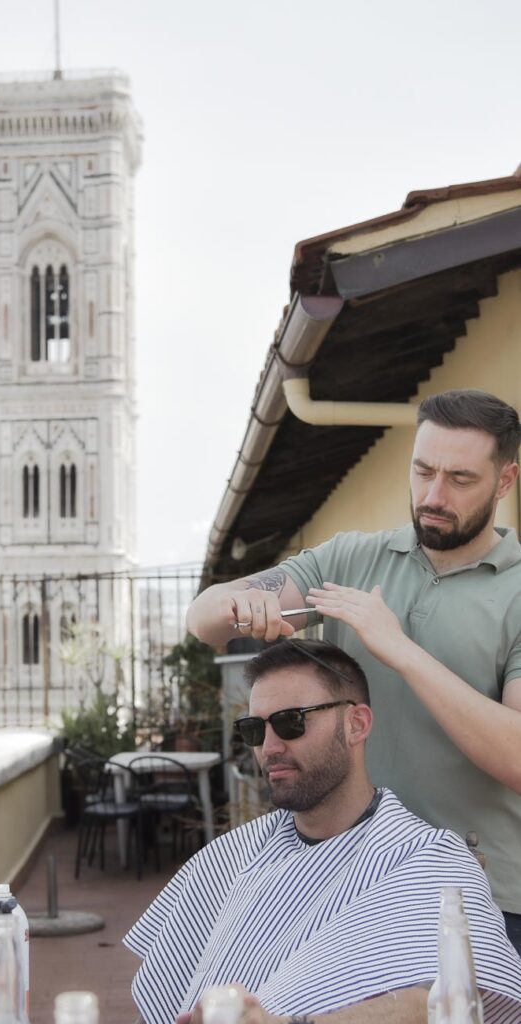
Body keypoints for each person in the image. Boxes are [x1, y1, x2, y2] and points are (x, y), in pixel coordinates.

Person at [186, 389, 521, 949]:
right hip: (348, 883)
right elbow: (204, 618)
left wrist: (400, 649)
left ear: (505, 481)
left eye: (460, 480)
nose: (433, 496)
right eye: (422, 471)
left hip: (480, 897)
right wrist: (241, 605)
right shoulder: (349, 559)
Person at [124, 640, 521, 1024]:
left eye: (290, 722)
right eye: (255, 730)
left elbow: (439, 1002)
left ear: (356, 724)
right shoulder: (234, 855)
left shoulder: (427, 860)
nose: (270, 747)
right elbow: (161, 997)